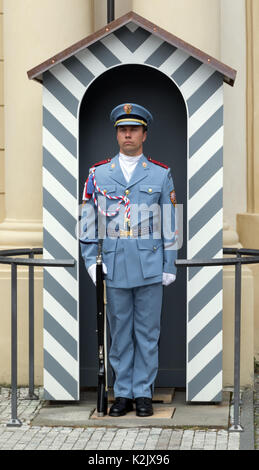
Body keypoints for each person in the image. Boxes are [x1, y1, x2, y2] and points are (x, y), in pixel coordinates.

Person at [80, 103, 177, 417]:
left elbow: (169, 224)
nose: (128, 134)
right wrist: (92, 263)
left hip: (150, 267)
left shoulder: (161, 175)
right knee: (120, 333)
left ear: (144, 134)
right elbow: (88, 223)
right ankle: (122, 393)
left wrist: (169, 265)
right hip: (115, 264)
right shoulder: (98, 174)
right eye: (123, 129)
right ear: (116, 134)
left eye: (134, 129)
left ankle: (143, 393)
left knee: (147, 333)